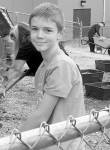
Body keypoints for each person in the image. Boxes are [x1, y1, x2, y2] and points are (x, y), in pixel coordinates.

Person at [19, 3, 85, 150]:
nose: (40, 35)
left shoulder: (62, 65)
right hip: (50, 140)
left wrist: (12, 141)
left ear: (60, 34)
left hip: (64, 144)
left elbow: (41, 116)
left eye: (48, 30)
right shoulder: (44, 65)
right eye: (35, 29)